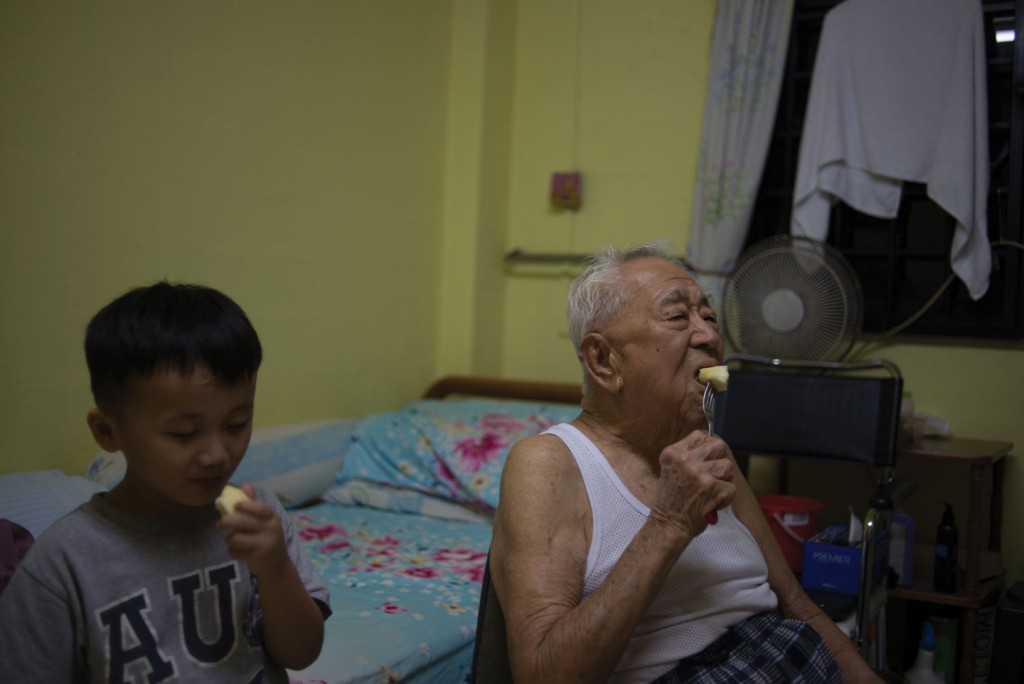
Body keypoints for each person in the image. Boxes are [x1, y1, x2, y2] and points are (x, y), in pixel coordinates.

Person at [489, 244, 880, 683]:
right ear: (603, 360)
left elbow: (796, 604)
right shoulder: (548, 465)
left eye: (709, 318)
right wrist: (669, 522)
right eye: (677, 318)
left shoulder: (712, 453)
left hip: (790, 656)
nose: (709, 337)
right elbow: (541, 675)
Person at [0, 281, 331, 682]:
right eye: (184, 433)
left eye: (236, 423)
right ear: (108, 432)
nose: (217, 454)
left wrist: (276, 569)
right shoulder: (62, 563)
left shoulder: (260, 518)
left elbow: (301, 654)